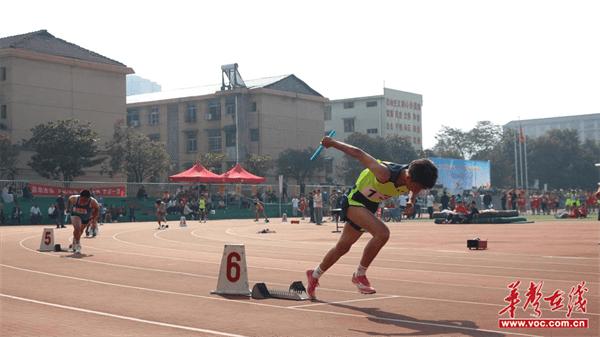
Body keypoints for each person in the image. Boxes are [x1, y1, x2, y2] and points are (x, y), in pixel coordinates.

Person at [305, 136, 438, 298]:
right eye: (418, 187)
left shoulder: (413, 179)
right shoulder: (383, 173)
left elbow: (414, 190)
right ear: (409, 177)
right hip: (354, 201)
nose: (418, 190)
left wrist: (411, 201)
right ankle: (359, 274)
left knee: (342, 247)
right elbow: (358, 153)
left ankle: (315, 274)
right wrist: (332, 143)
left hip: (370, 206)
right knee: (382, 233)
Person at [67, 190, 100, 254]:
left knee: (81, 230)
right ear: (80, 196)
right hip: (75, 215)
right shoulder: (74, 198)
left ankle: (74, 242)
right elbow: (69, 199)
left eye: (86, 200)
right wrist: (68, 209)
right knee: (77, 228)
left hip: (86, 217)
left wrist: (93, 218)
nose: (84, 201)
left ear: (89, 198)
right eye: (83, 199)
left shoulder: (93, 202)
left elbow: (97, 209)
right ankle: (78, 245)